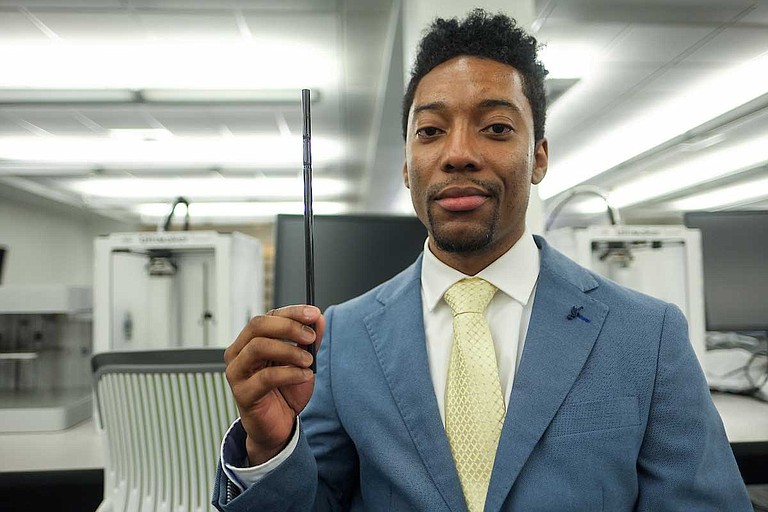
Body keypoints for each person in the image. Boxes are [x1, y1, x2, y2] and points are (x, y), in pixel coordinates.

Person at [212, 9, 752, 512]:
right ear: (406, 164)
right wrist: (270, 444)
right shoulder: (345, 336)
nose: (458, 153)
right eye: (430, 131)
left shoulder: (644, 334)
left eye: (496, 128)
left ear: (538, 156)